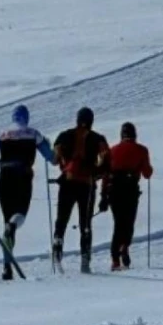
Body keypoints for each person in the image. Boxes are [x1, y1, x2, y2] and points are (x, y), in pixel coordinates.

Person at [0, 104, 55, 280]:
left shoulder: (2, 134)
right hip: (23, 176)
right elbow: (52, 158)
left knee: (7, 220)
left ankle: (7, 266)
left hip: (4, 178)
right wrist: (52, 149)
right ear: (26, 117)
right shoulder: (33, 134)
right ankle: (13, 226)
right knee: (20, 214)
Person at [52, 107, 109, 273]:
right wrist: (97, 173)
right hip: (87, 184)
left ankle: (57, 247)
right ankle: (85, 258)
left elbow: (55, 158)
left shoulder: (64, 135)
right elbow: (106, 159)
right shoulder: (98, 138)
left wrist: (65, 167)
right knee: (85, 223)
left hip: (67, 182)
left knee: (62, 219)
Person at [100, 122, 154, 271]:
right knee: (129, 222)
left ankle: (115, 259)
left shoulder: (112, 151)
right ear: (134, 134)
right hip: (131, 191)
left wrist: (103, 196)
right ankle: (125, 246)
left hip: (114, 191)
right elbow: (147, 173)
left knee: (118, 223)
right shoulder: (142, 150)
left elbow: (105, 175)